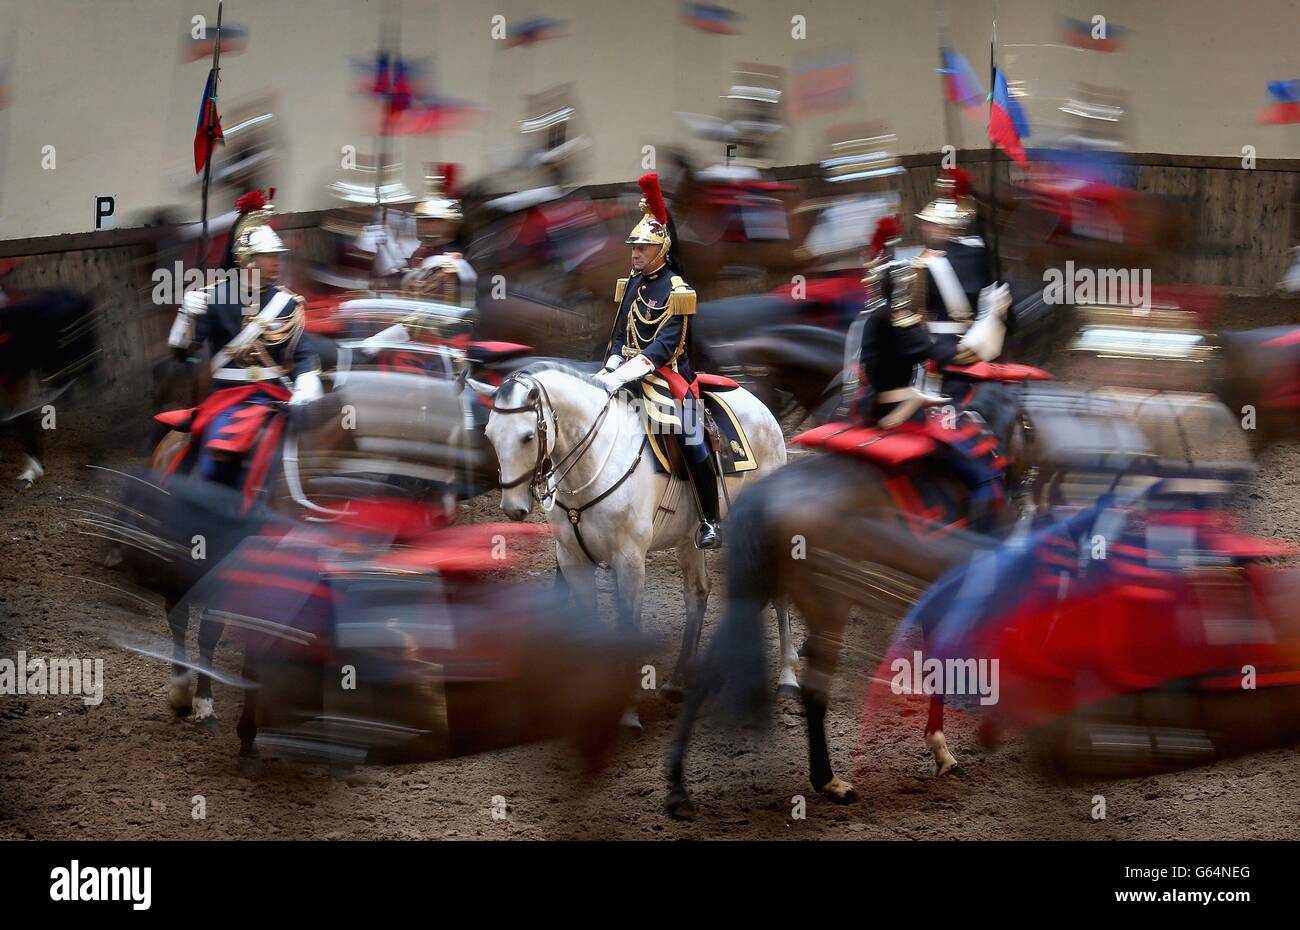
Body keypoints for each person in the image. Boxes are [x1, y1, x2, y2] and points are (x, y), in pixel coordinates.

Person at [593, 173, 720, 549]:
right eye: (633, 247)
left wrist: (622, 375)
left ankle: (709, 519)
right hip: (626, 373)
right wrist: (610, 367)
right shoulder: (631, 283)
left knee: (692, 437)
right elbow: (618, 335)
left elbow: (664, 348)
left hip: (669, 377)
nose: (635, 254)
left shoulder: (678, 291)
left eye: (643, 248)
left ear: (661, 249)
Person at [165, 190, 322, 489]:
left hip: (278, 397)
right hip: (228, 398)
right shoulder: (213, 298)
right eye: (269, 257)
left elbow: (303, 355)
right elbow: (188, 356)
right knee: (216, 459)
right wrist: (186, 317)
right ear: (247, 259)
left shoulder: (288, 303)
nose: (277, 263)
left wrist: (306, 387)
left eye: (278, 256)